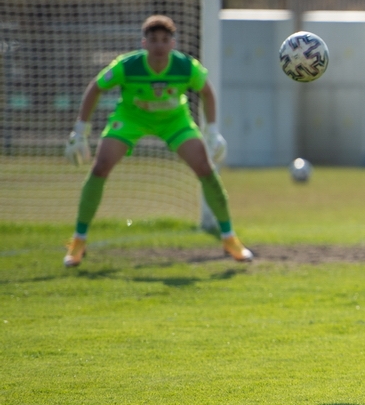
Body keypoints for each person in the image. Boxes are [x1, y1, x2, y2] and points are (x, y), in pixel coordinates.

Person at [62, 14, 253, 267]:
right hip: (132, 118)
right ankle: (79, 240)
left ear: (173, 43)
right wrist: (81, 131)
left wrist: (213, 131)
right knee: (100, 167)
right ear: (144, 43)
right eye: (154, 40)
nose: (159, 45)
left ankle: (229, 237)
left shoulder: (186, 66)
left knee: (205, 168)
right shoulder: (128, 65)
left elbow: (207, 91)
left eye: (165, 40)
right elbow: (95, 88)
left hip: (174, 120)